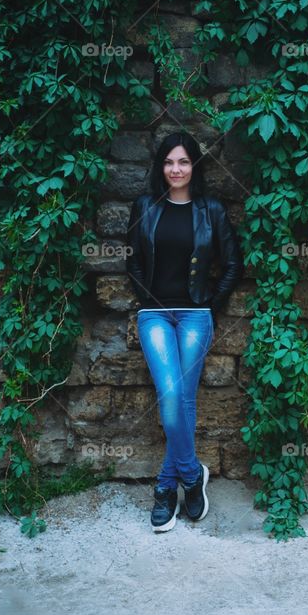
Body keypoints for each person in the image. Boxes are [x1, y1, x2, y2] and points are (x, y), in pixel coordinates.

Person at [125, 131, 244, 532]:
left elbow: (232, 264)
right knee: (172, 394)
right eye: (169, 162)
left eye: (184, 162)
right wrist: (147, 301)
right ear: (161, 167)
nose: (176, 169)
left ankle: (165, 487)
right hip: (155, 315)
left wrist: (209, 304)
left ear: (195, 166)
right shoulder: (145, 206)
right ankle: (191, 477)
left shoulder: (211, 210)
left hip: (195, 316)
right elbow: (134, 263)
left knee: (183, 400)